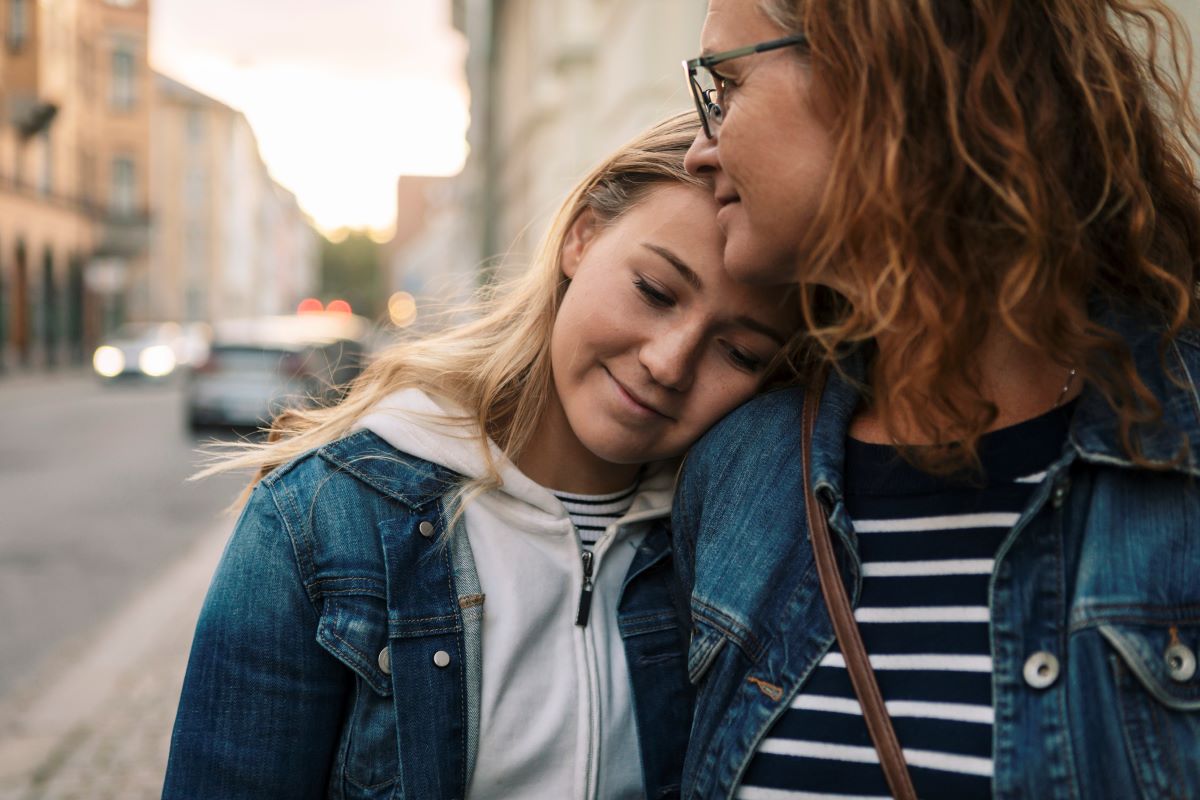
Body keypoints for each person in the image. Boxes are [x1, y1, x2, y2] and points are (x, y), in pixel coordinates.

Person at [161, 112, 803, 800]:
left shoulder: (734, 550)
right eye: (654, 291)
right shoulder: (323, 519)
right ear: (581, 238)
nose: (668, 363)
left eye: (740, 352)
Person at [674, 1, 1200, 798]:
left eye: (725, 83)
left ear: (876, 74)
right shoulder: (737, 476)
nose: (695, 151)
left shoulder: (1178, 446)